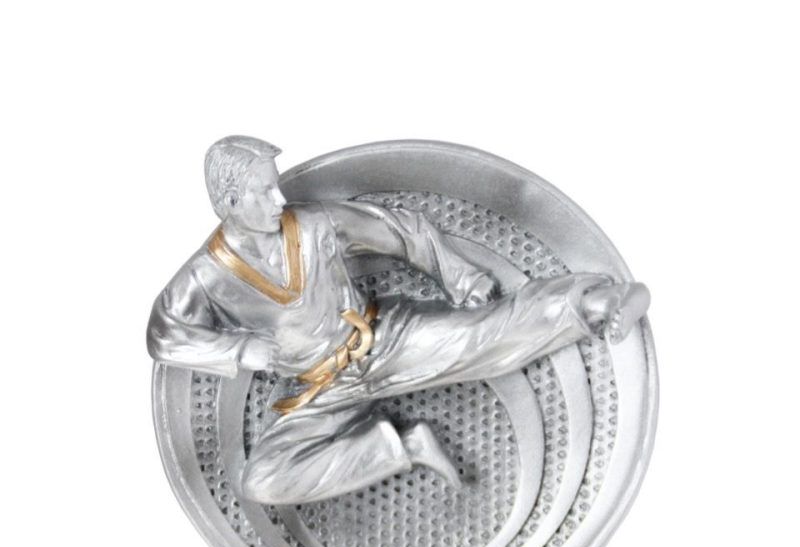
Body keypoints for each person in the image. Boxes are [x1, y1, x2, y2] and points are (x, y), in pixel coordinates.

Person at [148, 136, 649, 504]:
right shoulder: (205, 276)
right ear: (229, 202)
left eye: (276, 186)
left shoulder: (314, 224)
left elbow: (400, 230)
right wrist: (237, 349)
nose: (279, 200)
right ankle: (401, 446)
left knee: (485, 338)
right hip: (319, 390)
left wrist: (461, 276)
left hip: (382, 340)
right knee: (263, 481)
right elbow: (163, 335)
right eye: (263, 192)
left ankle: (594, 303)